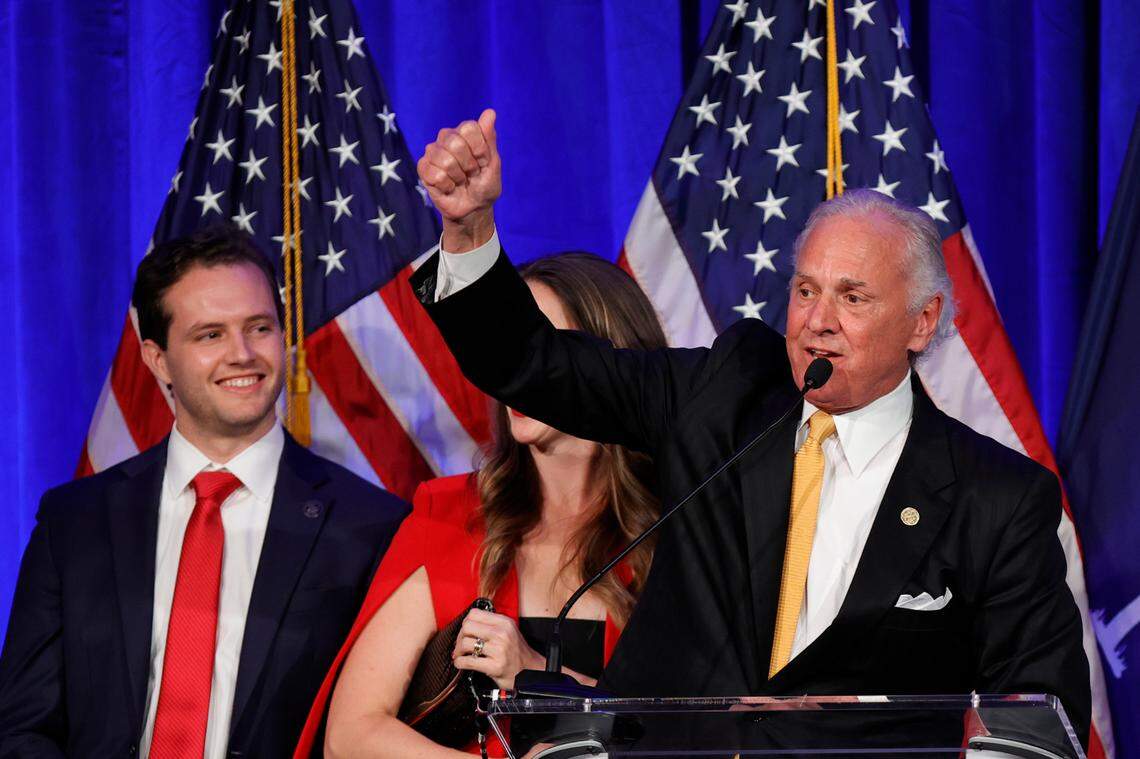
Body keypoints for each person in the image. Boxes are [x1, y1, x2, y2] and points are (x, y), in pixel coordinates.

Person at [403, 109, 1092, 747]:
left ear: (921, 319)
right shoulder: (725, 396)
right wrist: (467, 233)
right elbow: (537, 365)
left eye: (852, 297)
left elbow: (1034, 721)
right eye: (805, 289)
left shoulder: (996, 498)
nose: (817, 319)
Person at [0, 226, 408, 758]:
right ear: (157, 359)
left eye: (259, 328)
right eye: (210, 335)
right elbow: (22, 725)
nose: (242, 354)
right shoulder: (73, 523)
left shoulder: (370, 526)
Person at [293, 252, 668, 758]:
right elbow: (351, 734)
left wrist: (535, 671)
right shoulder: (450, 514)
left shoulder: (675, 530)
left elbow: (681, 725)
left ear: (612, 358)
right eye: (507, 349)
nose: (515, 370)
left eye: (540, 348)